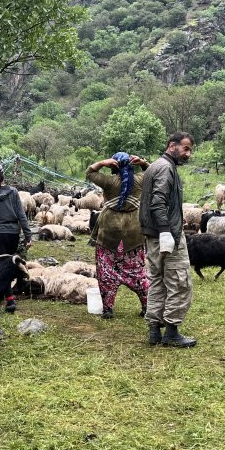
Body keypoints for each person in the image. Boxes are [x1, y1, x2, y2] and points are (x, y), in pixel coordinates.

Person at [139, 132, 196, 347]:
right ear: (172, 146)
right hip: (167, 236)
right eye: (186, 148)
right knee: (179, 282)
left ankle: (154, 330)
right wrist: (165, 231)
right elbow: (158, 202)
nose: (188, 154)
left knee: (157, 281)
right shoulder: (166, 168)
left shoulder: (155, 166)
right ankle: (171, 332)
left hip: (152, 236)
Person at [87, 152, 151, 320]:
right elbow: (152, 172)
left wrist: (102, 162)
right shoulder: (139, 180)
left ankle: (108, 309)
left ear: (113, 166)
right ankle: (147, 306)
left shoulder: (108, 182)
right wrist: (142, 162)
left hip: (109, 233)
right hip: (133, 233)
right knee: (137, 272)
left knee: (106, 271)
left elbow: (90, 172)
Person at [0, 162, 32, 313]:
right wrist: (28, 235)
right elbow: (21, 215)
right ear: (2, 176)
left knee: (0, 267)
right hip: (12, 234)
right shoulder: (13, 192)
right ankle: (16, 287)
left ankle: (9, 300)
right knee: (10, 263)